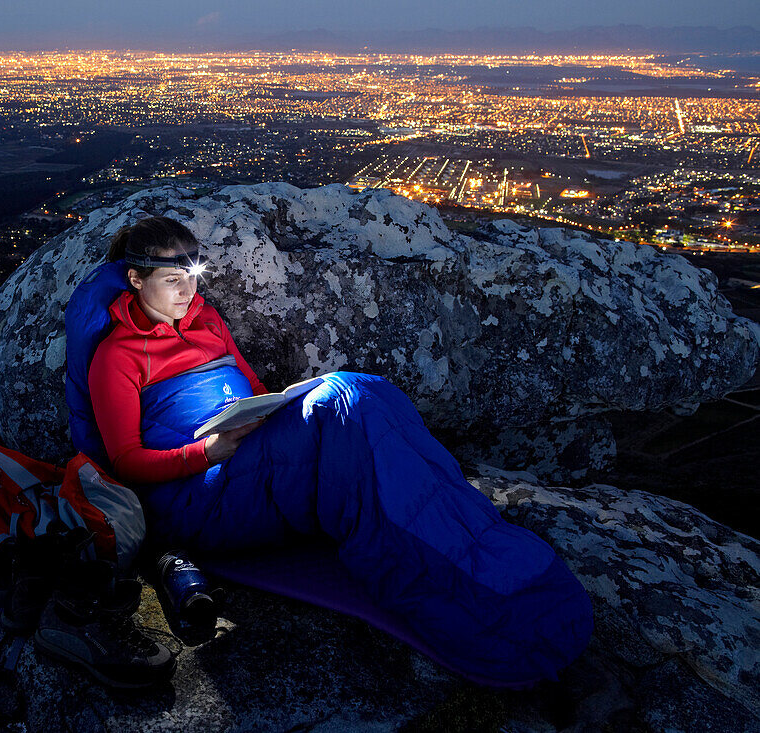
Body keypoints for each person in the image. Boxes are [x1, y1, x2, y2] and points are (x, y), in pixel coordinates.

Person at [80, 215, 593, 686]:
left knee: (369, 394)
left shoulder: (207, 323)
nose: (188, 291)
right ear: (134, 279)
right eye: (173, 280)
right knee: (346, 399)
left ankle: (481, 559)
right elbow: (124, 462)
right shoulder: (116, 358)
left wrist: (271, 412)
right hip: (199, 496)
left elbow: (254, 391)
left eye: (193, 276)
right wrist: (207, 454)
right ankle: (476, 608)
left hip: (251, 461)